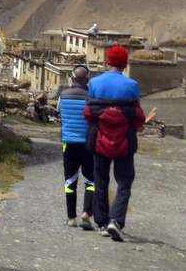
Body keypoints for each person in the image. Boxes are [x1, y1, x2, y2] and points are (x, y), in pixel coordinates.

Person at [84, 45, 157, 242]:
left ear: (107, 62)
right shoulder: (132, 85)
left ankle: (101, 222)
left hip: (99, 140)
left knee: (100, 180)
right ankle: (115, 221)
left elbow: (89, 114)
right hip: (124, 142)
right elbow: (137, 115)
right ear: (125, 65)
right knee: (124, 182)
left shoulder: (95, 83)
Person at [56, 66, 95, 229]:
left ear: (72, 78)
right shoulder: (92, 97)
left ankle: (71, 218)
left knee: (70, 181)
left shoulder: (63, 96)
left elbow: (59, 113)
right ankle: (86, 213)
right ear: (87, 79)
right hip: (88, 145)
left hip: (69, 144)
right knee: (91, 181)